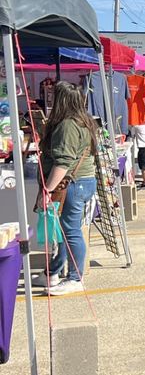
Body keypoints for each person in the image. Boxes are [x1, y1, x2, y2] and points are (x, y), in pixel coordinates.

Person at [33, 82, 98, 296]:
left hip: (72, 183)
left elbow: (63, 162)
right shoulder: (84, 121)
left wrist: (47, 190)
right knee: (63, 229)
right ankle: (53, 271)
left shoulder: (68, 125)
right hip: (81, 182)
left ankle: (74, 278)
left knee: (70, 230)